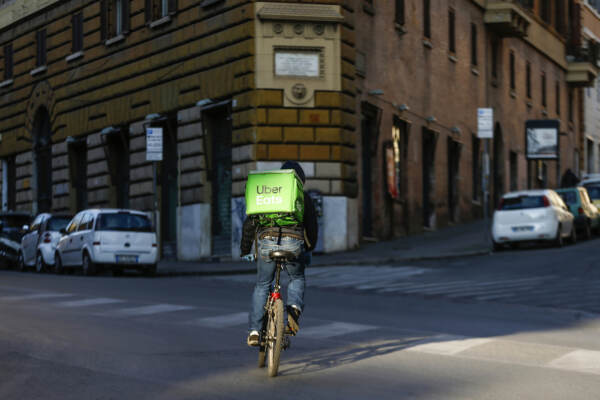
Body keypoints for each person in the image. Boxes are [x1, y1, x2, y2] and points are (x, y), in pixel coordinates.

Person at [241, 161, 318, 347]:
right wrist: (309, 248)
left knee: (262, 285)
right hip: (293, 243)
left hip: (267, 242)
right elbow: (312, 227)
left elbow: (250, 224)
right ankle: (293, 309)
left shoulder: (268, 193)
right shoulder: (303, 196)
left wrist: (245, 250)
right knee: (297, 277)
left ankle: (254, 331)